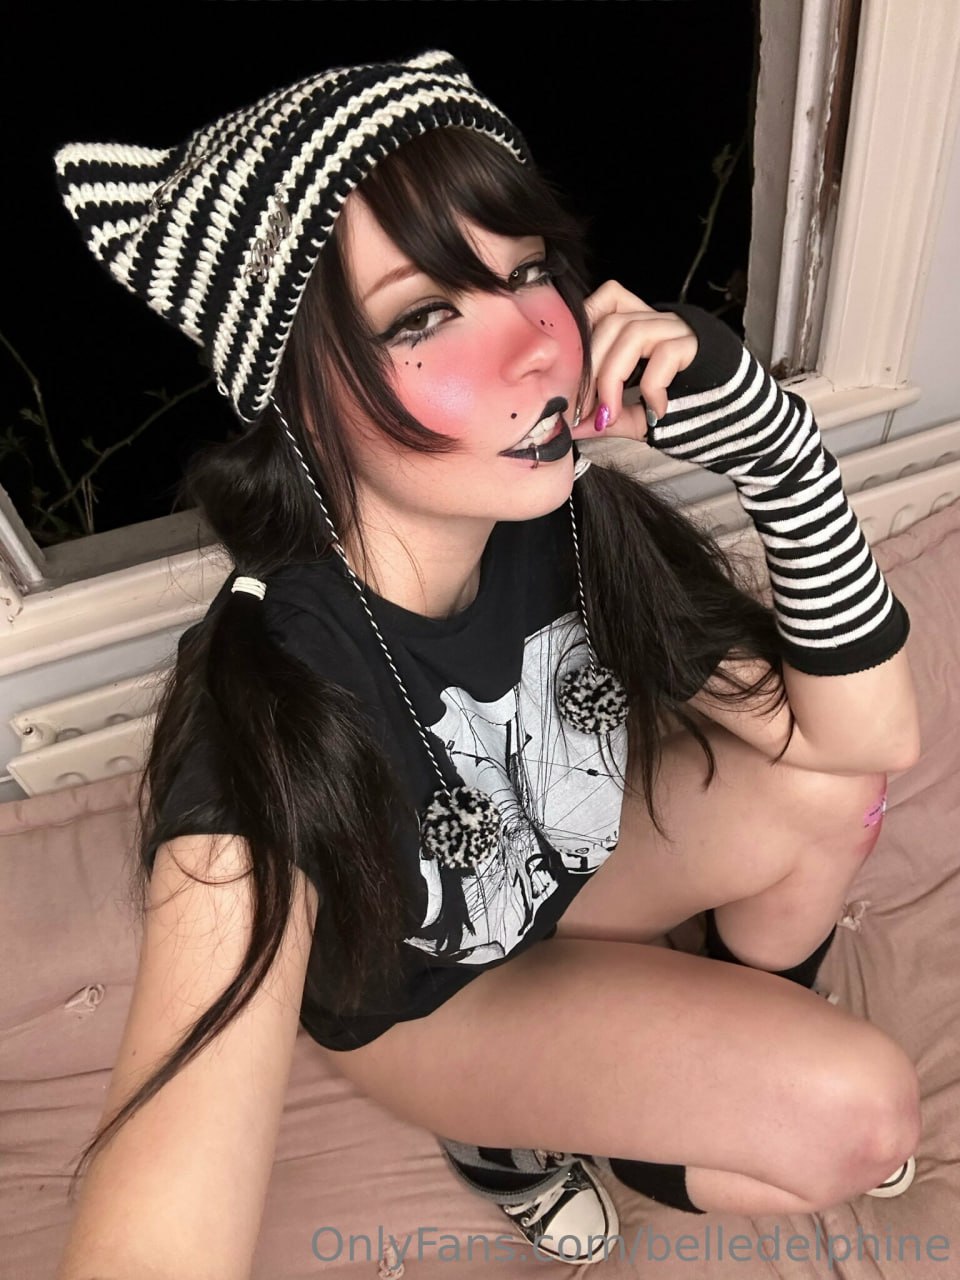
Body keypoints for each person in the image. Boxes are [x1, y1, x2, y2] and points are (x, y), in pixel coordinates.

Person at [52, 49, 922, 1275]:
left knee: (830, 794)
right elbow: (160, 1212)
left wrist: (781, 457)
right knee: (858, 1116)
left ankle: (720, 1033)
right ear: (298, 400)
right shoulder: (263, 697)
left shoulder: (559, 517)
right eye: (423, 315)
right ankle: (506, 1135)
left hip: (564, 873)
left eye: (526, 273)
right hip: (432, 1000)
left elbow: (865, 737)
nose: (536, 349)